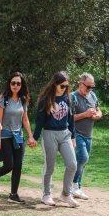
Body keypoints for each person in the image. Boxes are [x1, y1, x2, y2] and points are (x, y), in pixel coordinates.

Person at [0, 72, 37, 203]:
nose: (15, 85)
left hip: (18, 136)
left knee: (18, 166)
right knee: (9, 165)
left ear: (21, 85)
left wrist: (30, 136)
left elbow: (25, 120)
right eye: (13, 83)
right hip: (5, 136)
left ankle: (13, 194)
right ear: (9, 84)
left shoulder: (23, 99)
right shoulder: (3, 99)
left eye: (18, 83)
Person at [33, 71, 79, 208]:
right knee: (50, 167)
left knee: (72, 164)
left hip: (65, 134)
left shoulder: (68, 99)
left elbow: (71, 119)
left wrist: (73, 136)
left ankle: (66, 194)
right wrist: (34, 137)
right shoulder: (45, 100)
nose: (64, 88)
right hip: (49, 134)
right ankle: (46, 195)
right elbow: (39, 121)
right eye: (62, 86)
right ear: (55, 85)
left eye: (66, 86)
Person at [71, 73, 102, 200]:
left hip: (89, 134)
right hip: (77, 133)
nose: (90, 89)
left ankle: (76, 187)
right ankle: (74, 185)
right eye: (88, 87)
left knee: (83, 161)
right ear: (80, 83)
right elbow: (69, 118)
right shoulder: (73, 97)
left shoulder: (92, 96)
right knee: (83, 158)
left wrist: (98, 115)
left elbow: (99, 110)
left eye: (92, 87)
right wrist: (85, 114)